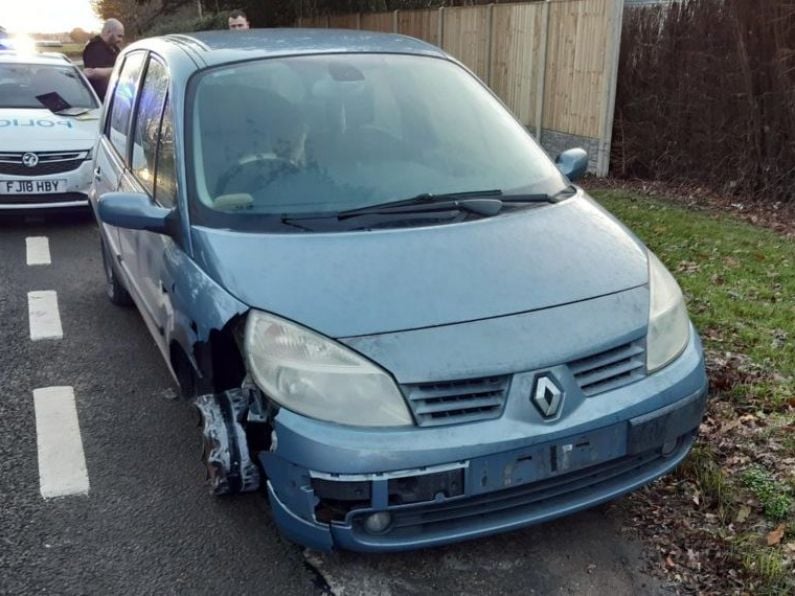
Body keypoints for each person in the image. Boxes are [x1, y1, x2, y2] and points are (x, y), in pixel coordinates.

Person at [82, 19, 124, 101]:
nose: (121, 40)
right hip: (99, 99)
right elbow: (91, 73)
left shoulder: (114, 48)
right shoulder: (94, 48)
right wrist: (119, 69)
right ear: (108, 32)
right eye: (119, 36)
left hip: (113, 96)